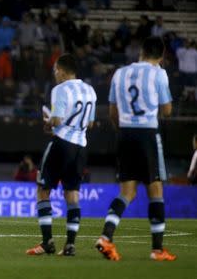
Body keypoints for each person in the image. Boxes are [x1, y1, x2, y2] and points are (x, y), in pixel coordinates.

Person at [95, 37, 176, 261]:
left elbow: (112, 111)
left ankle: (106, 237)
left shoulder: (120, 73)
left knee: (127, 192)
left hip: (125, 134)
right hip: (147, 134)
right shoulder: (158, 73)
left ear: (140, 52)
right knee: (156, 191)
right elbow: (167, 110)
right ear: (161, 56)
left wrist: (122, 129)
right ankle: (157, 250)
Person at [26, 54, 97, 256]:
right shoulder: (90, 90)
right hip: (81, 146)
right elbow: (90, 124)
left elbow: (56, 121)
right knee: (72, 194)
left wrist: (48, 121)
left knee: (42, 190)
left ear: (63, 71)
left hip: (61, 144)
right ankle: (70, 245)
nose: (55, 73)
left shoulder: (60, 89)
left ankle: (48, 242)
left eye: (56, 70)